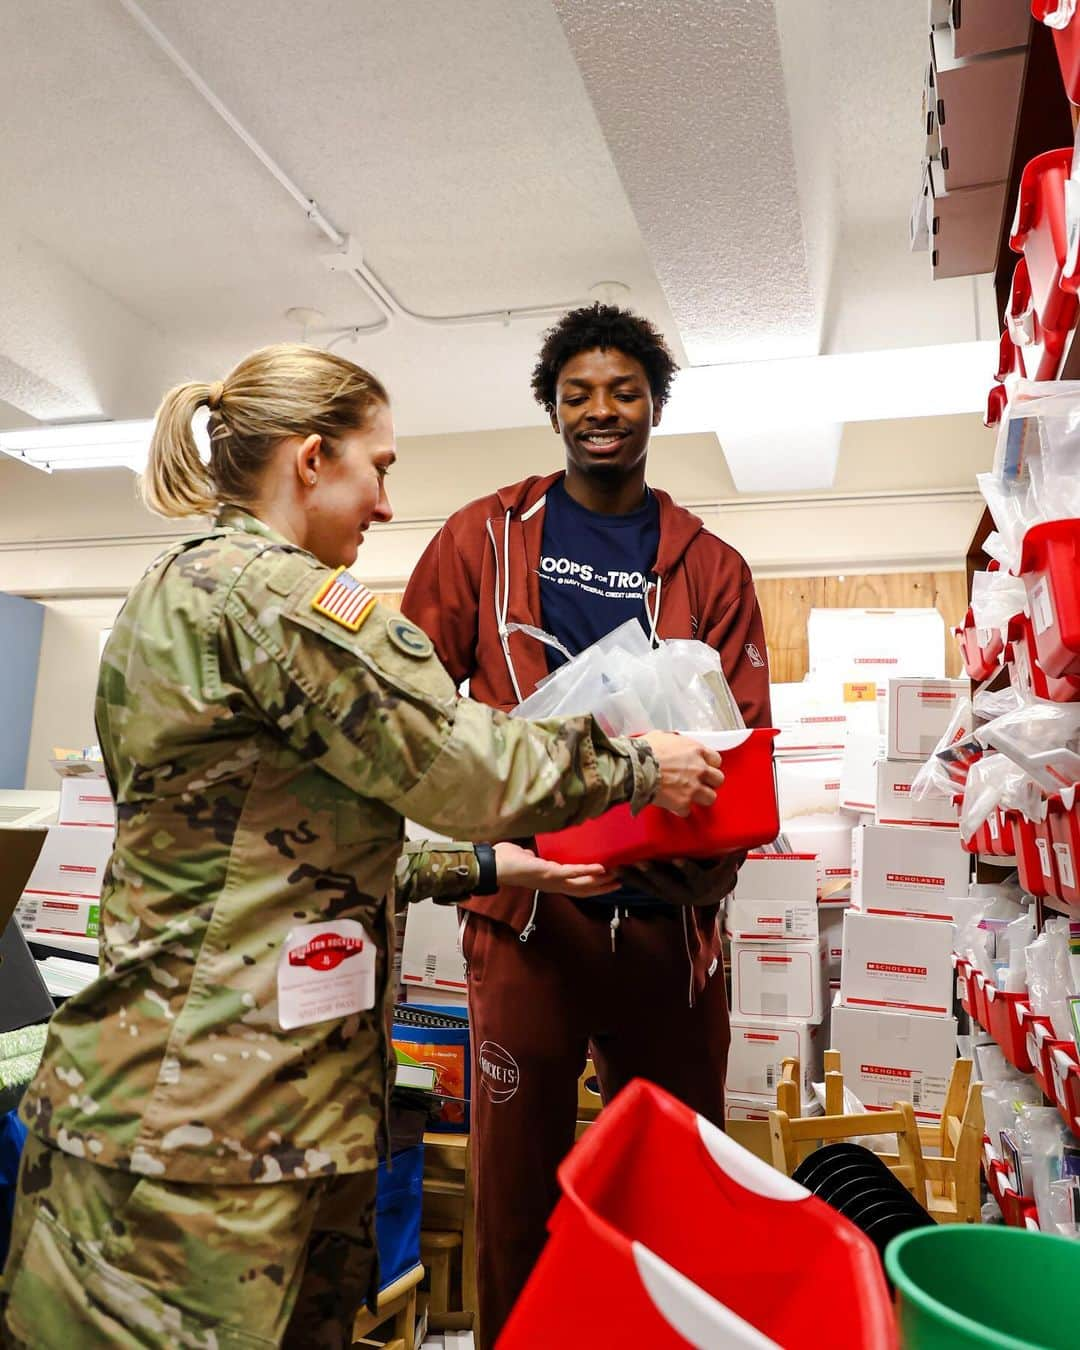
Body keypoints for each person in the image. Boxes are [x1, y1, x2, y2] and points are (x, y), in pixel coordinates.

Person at [0, 344, 723, 1350]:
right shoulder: (286, 602)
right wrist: (641, 766)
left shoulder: (172, 585)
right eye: (378, 467)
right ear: (309, 460)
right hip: (220, 1134)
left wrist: (490, 868)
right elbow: (470, 771)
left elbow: (260, 850)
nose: (386, 502)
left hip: (167, 1104)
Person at [402, 303, 772, 1345]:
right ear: (552, 409)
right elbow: (412, 715)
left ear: (654, 405)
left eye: (623, 391)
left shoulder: (711, 566)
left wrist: (697, 871)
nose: (601, 412)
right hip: (529, 922)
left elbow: (746, 753)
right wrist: (488, 850)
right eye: (578, 394)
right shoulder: (483, 536)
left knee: (678, 1177)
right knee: (515, 1190)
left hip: (668, 927)